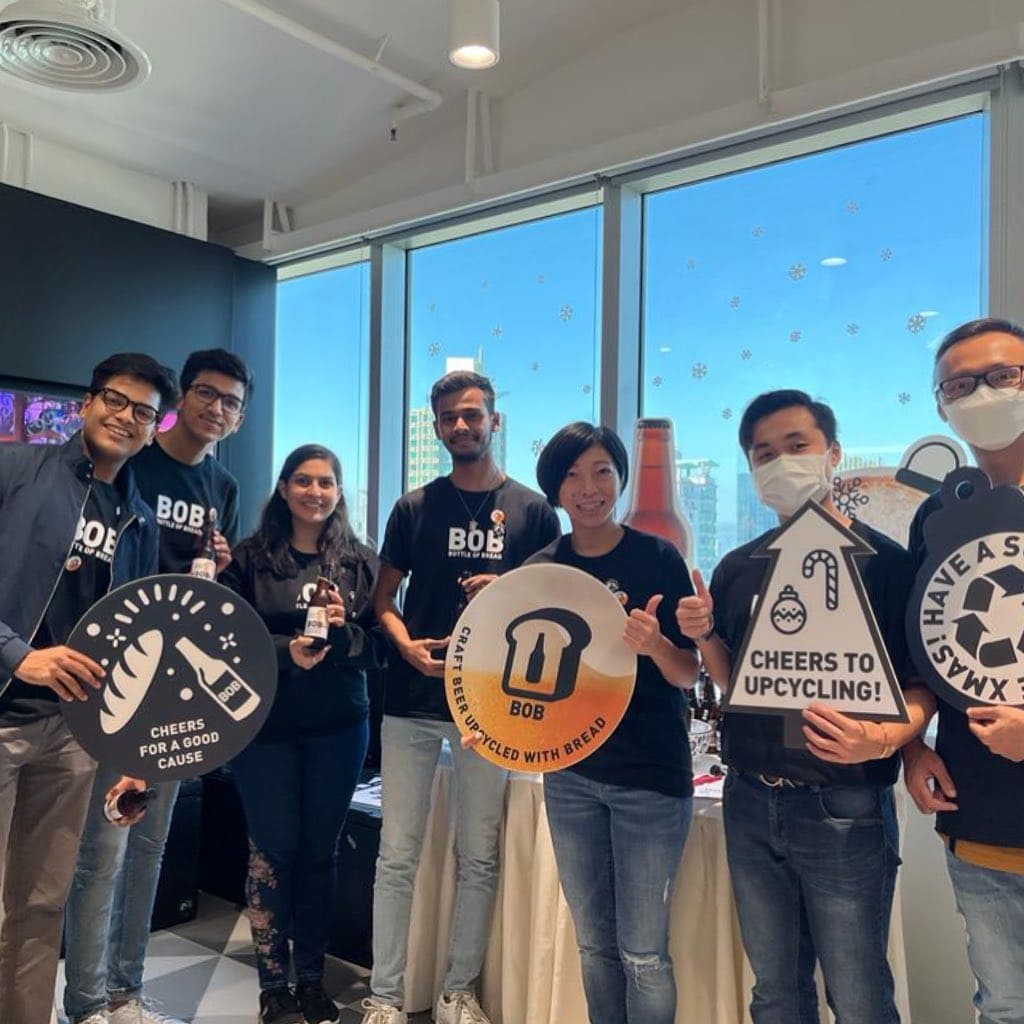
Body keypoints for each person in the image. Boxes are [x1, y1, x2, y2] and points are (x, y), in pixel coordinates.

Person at [676, 389, 934, 1024]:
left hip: (843, 802)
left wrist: (886, 740)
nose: (781, 462)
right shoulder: (738, 567)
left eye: (797, 446)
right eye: (764, 454)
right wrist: (704, 635)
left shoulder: (889, 566)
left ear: (833, 453)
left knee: (858, 993)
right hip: (749, 796)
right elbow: (736, 681)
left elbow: (921, 685)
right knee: (774, 990)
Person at [361, 371, 560, 1024]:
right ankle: (384, 996)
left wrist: (504, 589)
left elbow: (550, 605)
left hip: (490, 705)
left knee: (479, 854)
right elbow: (382, 600)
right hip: (411, 700)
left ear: (495, 421)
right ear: (437, 427)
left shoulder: (533, 511)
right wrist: (404, 647)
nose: (461, 426)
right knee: (397, 855)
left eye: (472, 414)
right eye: (448, 417)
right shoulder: (413, 507)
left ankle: (457, 992)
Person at [62, 348, 251, 1024]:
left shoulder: (223, 487)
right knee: (104, 849)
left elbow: (211, 593)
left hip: (177, 689)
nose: (217, 409)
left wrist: (222, 565)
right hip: (113, 675)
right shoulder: (136, 457)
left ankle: (125, 992)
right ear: (180, 401)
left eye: (231, 402)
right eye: (207, 393)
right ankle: (86, 1001)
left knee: (148, 845)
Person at [0, 353, 178, 1024]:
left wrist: (132, 752)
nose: (125, 417)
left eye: (143, 412)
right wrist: (18, 654)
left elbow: (135, 644)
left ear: (153, 429)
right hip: (5, 713)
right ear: (87, 404)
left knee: (41, 904)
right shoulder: (16, 469)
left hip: (73, 734)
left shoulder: (140, 520)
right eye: (115, 399)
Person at [526, 422, 700, 1024]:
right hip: (570, 777)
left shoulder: (658, 557)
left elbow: (688, 673)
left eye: (602, 471)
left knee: (644, 954)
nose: (589, 488)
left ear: (621, 477)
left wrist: (655, 645)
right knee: (594, 945)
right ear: (555, 488)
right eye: (572, 475)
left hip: (650, 778)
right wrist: (498, 728)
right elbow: (526, 679)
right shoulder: (542, 568)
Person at [219, 444, 381, 1024]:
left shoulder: (360, 562)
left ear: (339, 492)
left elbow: (378, 648)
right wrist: (286, 651)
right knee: (272, 852)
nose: (316, 492)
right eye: (304, 481)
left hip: (340, 726)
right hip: (264, 727)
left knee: (320, 852)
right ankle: (272, 987)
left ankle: (310, 980)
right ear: (284, 488)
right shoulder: (248, 560)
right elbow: (224, 643)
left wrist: (342, 632)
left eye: (326, 483)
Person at [902, 317, 1024, 1024]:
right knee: (1003, 1006)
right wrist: (912, 748)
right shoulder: (937, 516)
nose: (981, 393)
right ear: (941, 406)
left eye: (1002, 376)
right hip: (979, 822)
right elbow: (925, 651)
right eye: (959, 385)